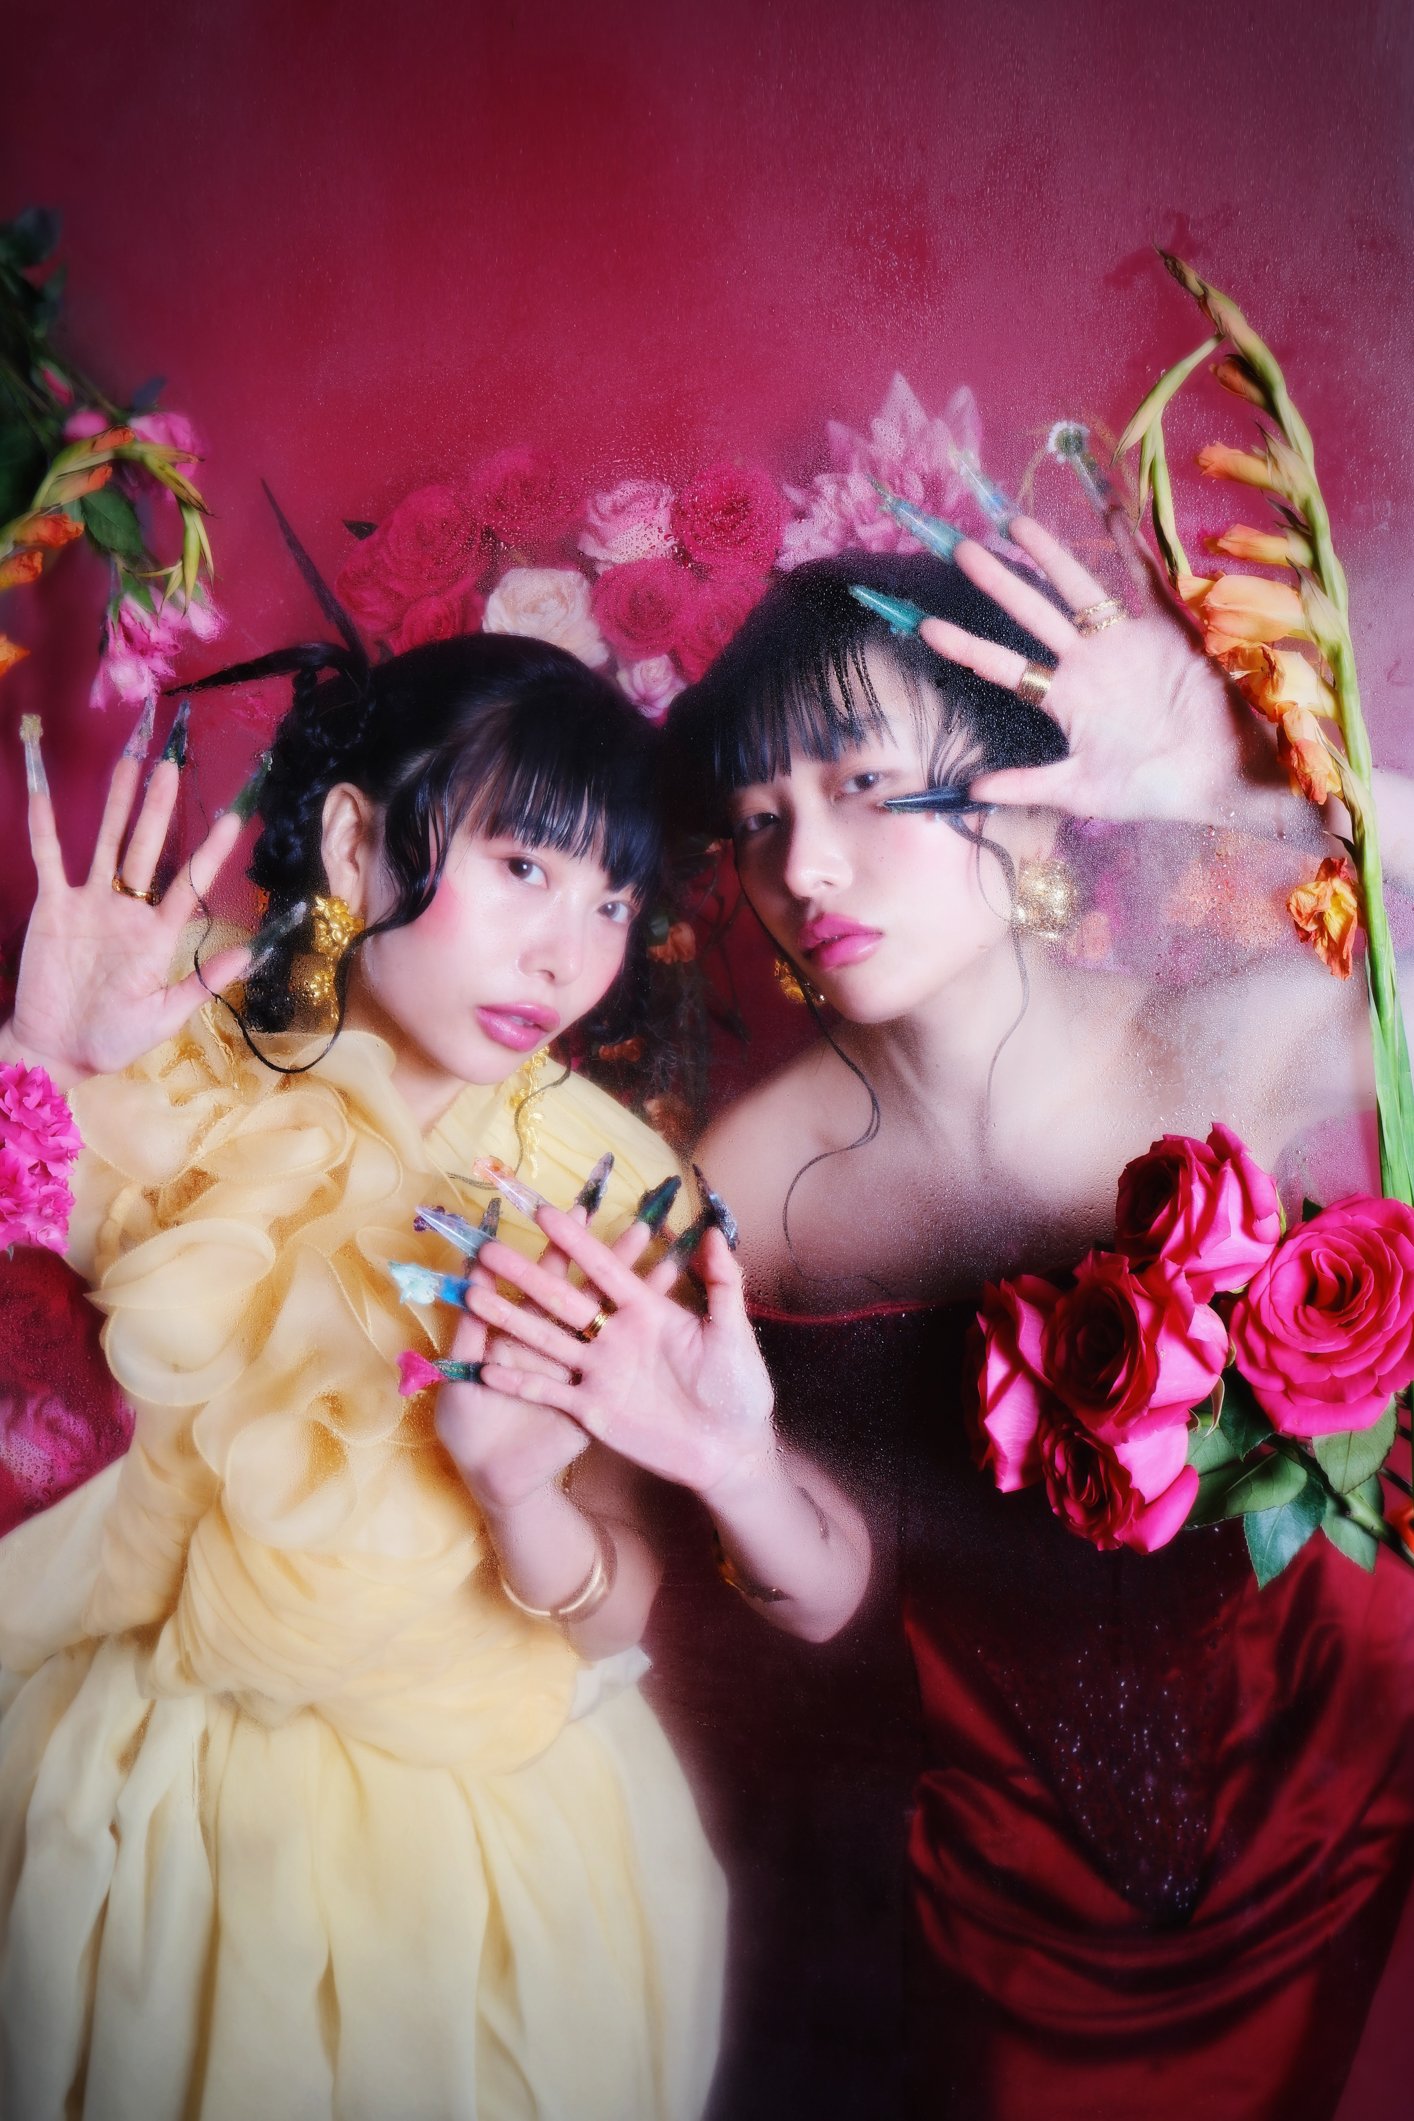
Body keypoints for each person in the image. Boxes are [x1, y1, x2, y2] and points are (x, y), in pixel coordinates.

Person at [471, 530, 1414, 2119]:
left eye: (862, 786)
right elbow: (663, 1586)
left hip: (1317, 1781)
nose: (803, 870)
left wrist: (1230, 788)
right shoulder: (742, 1189)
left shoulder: (1225, 1037)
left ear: (1023, 792)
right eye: (759, 822)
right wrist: (519, 1485)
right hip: (987, 1859)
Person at [0, 627, 869, 2121]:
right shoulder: (166, 1033)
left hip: (466, 1839)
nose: (568, 957)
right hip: (125, 1781)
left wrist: (519, 1494)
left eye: (611, 900)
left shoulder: (609, 1186)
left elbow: (638, 1609)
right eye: (524, 866)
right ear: (354, 842)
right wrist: (34, 1065)